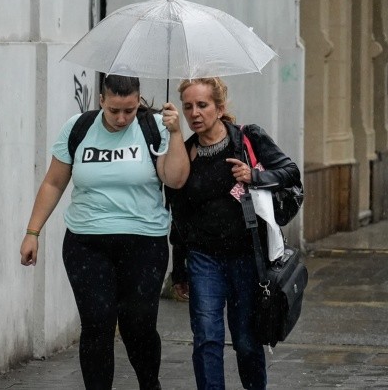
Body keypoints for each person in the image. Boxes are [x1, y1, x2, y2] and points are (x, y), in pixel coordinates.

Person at [19, 74, 189, 390]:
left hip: (145, 244)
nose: (122, 117)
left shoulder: (156, 127)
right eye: (114, 110)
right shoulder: (79, 127)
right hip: (86, 244)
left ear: (139, 99)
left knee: (137, 325)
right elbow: (53, 182)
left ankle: (150, 384)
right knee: (97, 325)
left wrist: (176, 133)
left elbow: (175, 179)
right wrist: (33, 232)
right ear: (101, 101)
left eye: (130, 109)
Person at [166, 77, 301, 390]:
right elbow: (180, 216)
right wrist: (179, 269)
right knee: (206, 338)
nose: (195, 113)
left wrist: (253, 175)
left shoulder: (246, 139)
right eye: (188, 107)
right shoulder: (185, 152)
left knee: (246, 342)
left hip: (245, 257)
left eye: (203, 105)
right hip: (203, 259)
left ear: (220, 107)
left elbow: (290, 172)